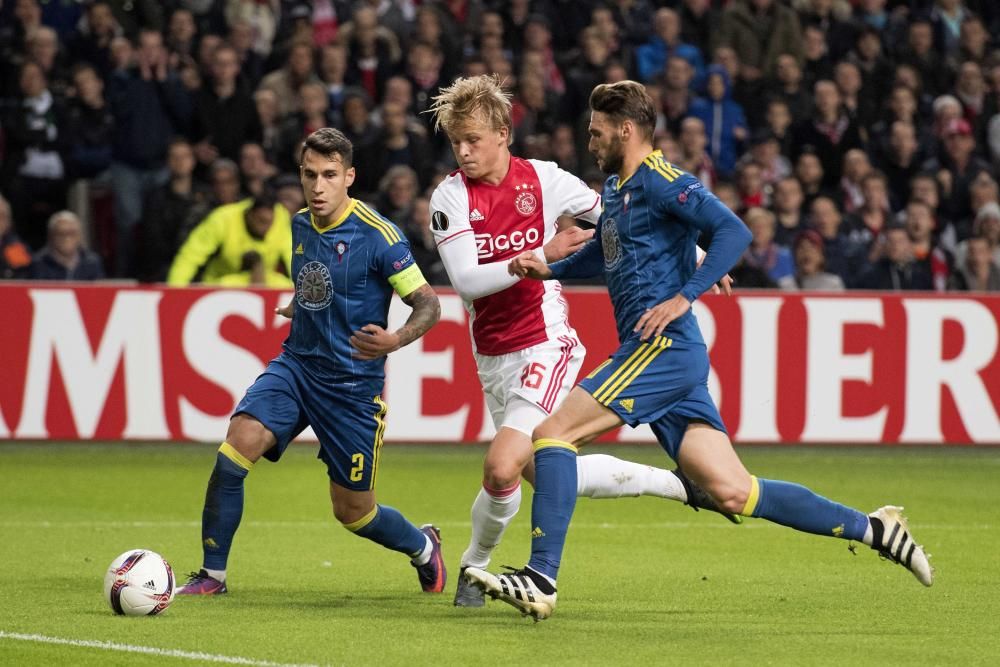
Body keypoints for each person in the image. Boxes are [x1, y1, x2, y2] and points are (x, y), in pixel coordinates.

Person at [465, 81, 934, 620]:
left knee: (551, 434)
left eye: (596, 131)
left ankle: (540, 578)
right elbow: (611, 252)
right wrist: (554, 268)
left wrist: (686, 295)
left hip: (658, 347)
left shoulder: (664, 181)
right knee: (733, 491)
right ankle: (875, 529)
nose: (588, 140)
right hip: (671, 359)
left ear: (626, 128)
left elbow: (732, 231)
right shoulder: (619, 187)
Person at [426, 75, 738, 609]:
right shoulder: (450, 196)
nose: (463, 151)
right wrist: (541, 252)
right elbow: (468, 282)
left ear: (503, 133)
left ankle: (472, 567)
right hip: (493, 353)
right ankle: (681, 485)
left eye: (473, 139)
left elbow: (625, 216)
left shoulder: (544, 180)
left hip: (545, 342)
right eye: (456, 141)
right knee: (537, 470)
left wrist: (702, 254)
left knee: (502, 465)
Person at [178, 127, 446, 596]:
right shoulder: (299, 223)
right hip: (297, 367)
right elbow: (323, 285)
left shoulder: (380, 236)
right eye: (309, 175)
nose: (318, 186)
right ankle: (212, 575)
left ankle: (423, 547)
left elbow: (429, 303)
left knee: (355, 513)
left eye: (329, 175)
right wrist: (301, 303)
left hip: (350, 388)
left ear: (349, 177)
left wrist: (396, 339)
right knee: (235, 448)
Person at [166, 191, 292, 287]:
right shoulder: (223, 219)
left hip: (264, 281)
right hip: (223, 284)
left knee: (287, 287)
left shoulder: (281, 217)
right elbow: (191, 255)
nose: (267, 228)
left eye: (270, 222)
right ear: (250, 214)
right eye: (261, 221)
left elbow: (293, 257)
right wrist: (175, 289)